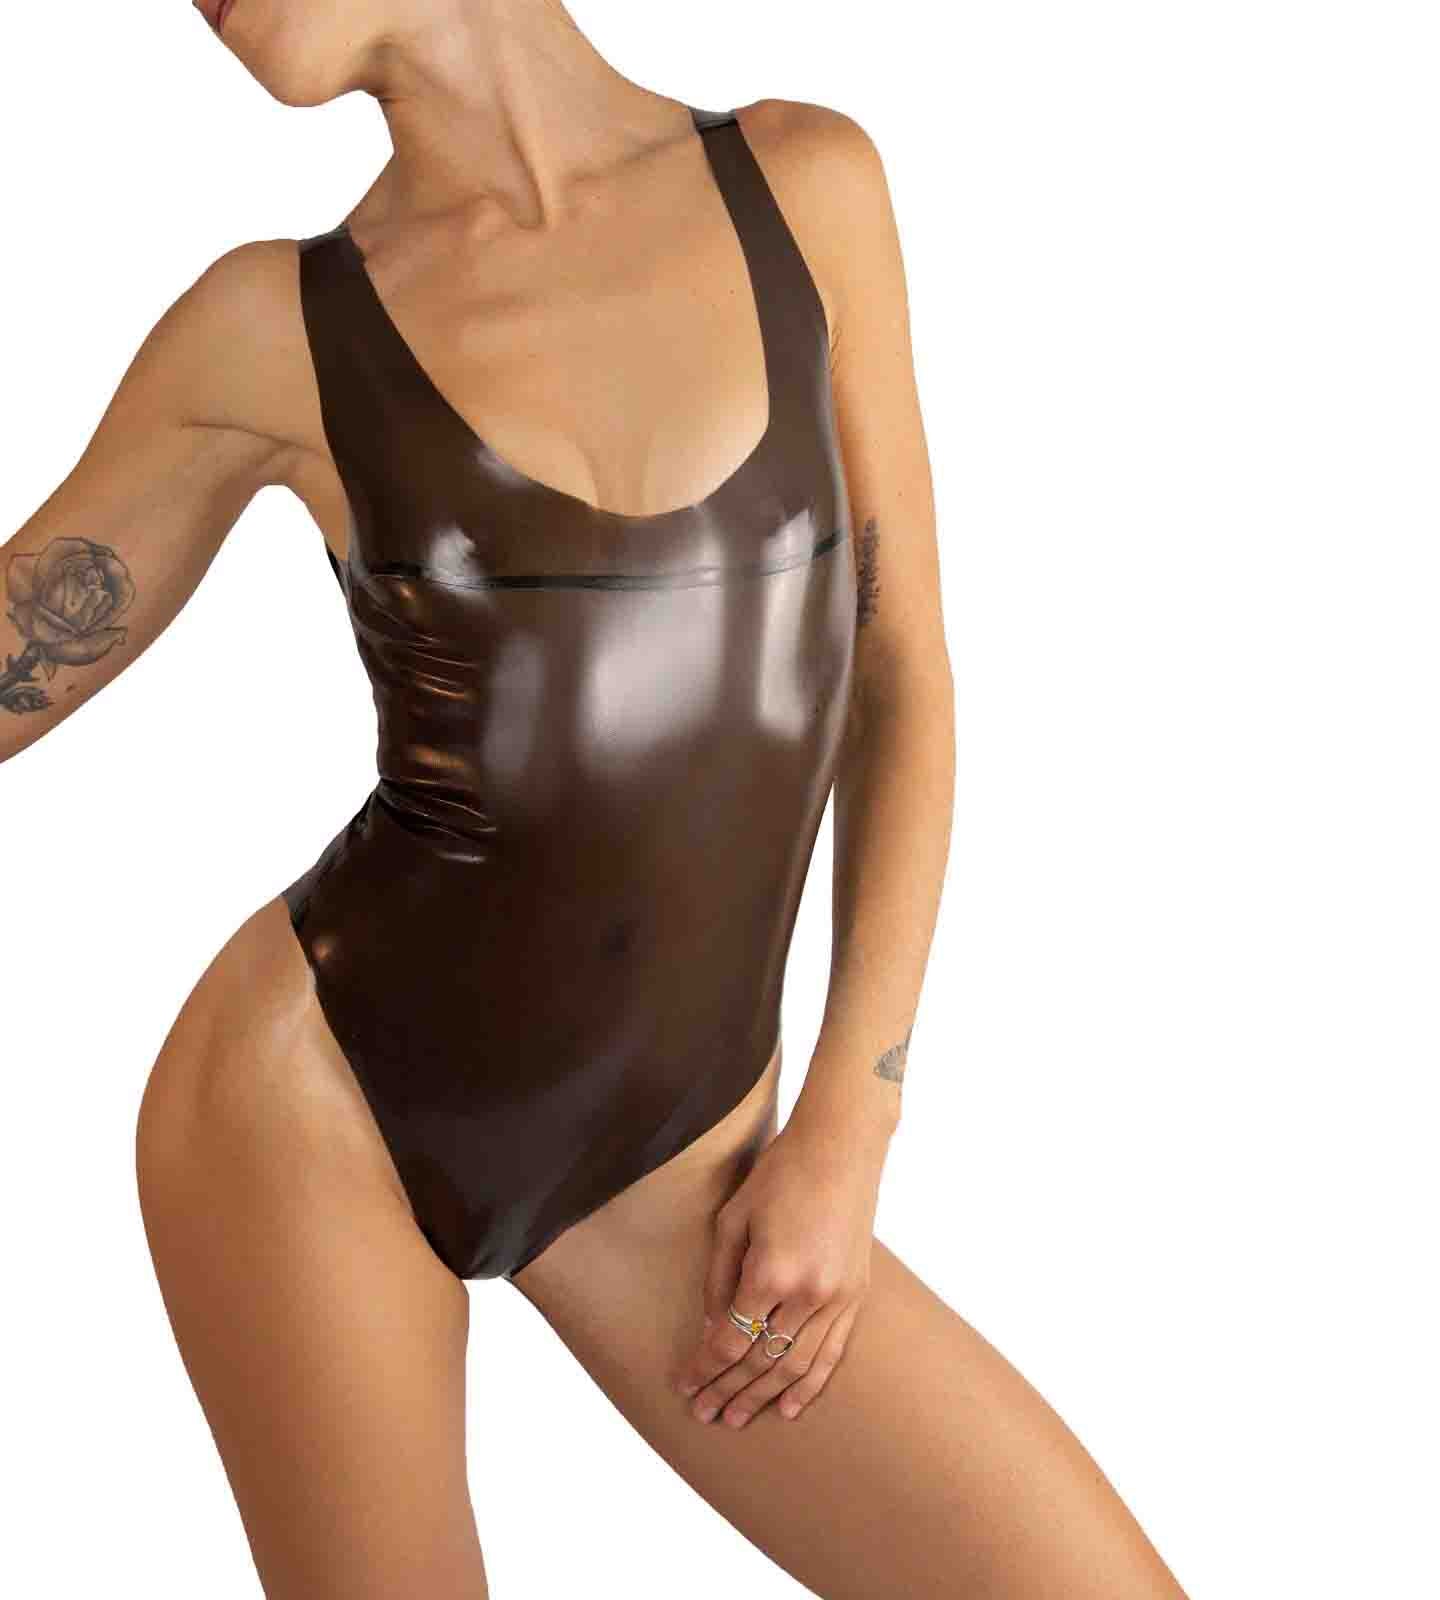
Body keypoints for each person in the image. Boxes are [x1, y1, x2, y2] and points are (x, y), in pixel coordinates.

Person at [0, 2, 1189, 1595]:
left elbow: (902, 676)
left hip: (677, 1158)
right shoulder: (268, 326)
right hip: (315, 1109)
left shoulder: (803, 187)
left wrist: (849, 1124)